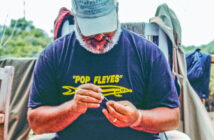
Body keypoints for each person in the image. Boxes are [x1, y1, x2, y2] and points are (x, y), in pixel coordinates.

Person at [27, 0, 180, 139]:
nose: (99, 37)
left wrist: (138, 118)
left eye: (106, 29)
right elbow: (36, 123)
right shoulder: (53, 55)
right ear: (76, 20)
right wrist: (72, 108)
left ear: (117, 14)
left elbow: (172, 118)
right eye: (90, 32)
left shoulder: (148, 53)